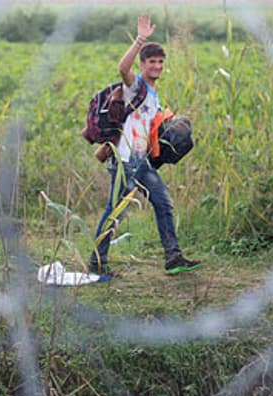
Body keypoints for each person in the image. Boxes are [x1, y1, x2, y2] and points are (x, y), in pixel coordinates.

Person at [88, 14, 202, 279]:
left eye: (161, 62)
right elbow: (122, 69)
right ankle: (97, 263)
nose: (157, 66)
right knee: (115, 212)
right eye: (152, 62)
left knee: (163, 203)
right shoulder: (136, 85)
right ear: (143, 64)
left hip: (143, 162)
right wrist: (140, 39)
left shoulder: (153, 94)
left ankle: (173, 258)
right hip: (125, 160)